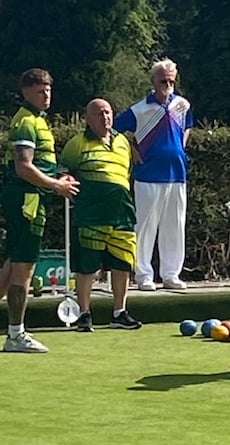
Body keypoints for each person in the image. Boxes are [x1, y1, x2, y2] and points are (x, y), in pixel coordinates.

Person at [1, 68, 80, 352]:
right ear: (25, 92)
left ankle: (14, 332)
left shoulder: (38, 120)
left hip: (33, 197)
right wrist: (56, 186)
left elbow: (40, 164)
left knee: (11, 266)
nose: (46, 94)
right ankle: (15, 335)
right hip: (27, 199)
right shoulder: (25, 122)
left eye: (48, 89)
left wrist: (59, 177)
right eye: (39, 90)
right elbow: (24, 167)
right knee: (24, 267)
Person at [60, 98, 142, 332]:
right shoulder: (77, 143)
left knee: (123, 262)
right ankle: (84, 314)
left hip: (122, 211)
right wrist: (66, 182)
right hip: (91, 213)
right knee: (86, 266)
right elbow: (64, 172)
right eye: (98, 114)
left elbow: (125, 175)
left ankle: (119, 313)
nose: (104, 117)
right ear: (88, 117)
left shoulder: (123, 142)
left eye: (107, 113)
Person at [114, 57, 194, 291]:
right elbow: (114, 128)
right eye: (163, 80)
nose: (167, 85)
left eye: (170, 80)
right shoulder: (140, 109)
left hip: (177, 173)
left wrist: (181, 145)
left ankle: (171, 274)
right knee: (145, 226)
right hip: (148, 174)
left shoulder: (183, 104)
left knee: (175, 226)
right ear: (153, 81)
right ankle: (143, 275)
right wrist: (131, 148)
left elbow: (188, 125)